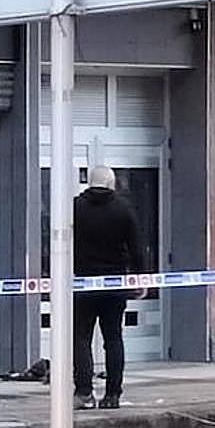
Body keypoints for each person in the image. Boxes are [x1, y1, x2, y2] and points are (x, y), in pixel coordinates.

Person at [73, 165, 147, 410]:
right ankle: (113, 394)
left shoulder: (76, 207)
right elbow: (137, 247)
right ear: (112, 183)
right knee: (113, 337)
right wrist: (140, 278)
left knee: (81, 337)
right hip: (115, 282)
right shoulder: (123, 208)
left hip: (84, 281)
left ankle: (84, 392)